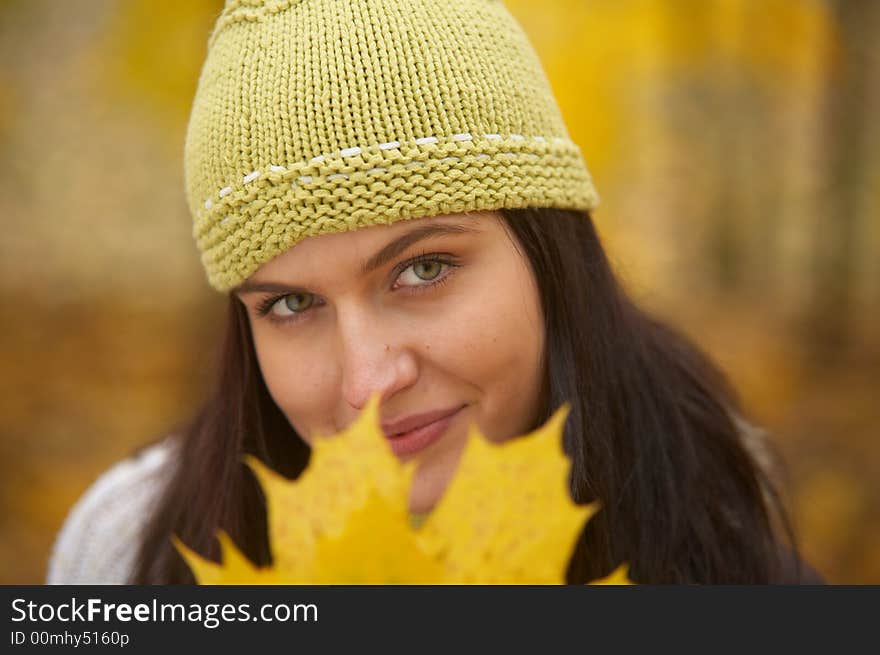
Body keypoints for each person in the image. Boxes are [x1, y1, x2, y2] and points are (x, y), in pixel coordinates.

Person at [46, 0, 822, 585]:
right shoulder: (123, 555)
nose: (367, 381)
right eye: (289, 303)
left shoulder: (720, 539)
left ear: (549, 254)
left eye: (423, 269)